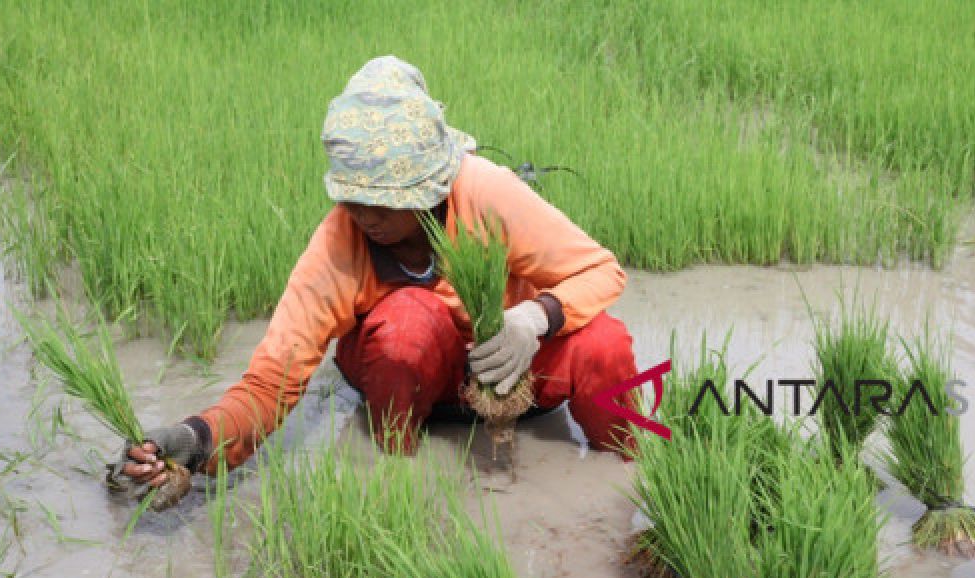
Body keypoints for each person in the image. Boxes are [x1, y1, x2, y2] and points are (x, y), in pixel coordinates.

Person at [115, 56, 641, 498]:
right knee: (407, 320)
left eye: (384, 203)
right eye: (354, 199)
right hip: (414, 389)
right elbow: (271, 381)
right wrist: (196, 437)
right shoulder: (339, 242)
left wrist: (533, 319)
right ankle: (397, 480)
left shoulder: (485, 194)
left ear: (431, 185)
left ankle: (625, 483)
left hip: (512, 374)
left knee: (603, 344)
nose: (366, 216)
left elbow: (600, 269)